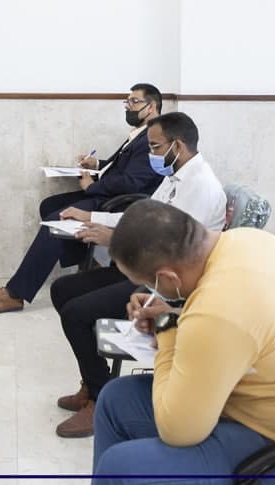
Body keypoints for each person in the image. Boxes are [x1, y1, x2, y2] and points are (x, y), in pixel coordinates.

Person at [92, 201, 275, 484]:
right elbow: (239, 320)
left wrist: (166, 330)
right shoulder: (248, 241)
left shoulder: (218, 307)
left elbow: (177, 431)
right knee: (116, 400)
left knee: (120, 466)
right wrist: (176, 316)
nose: (151, 291)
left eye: (149, 284)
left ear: (168, 277)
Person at [51, 111, 227, 438]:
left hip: (171, 282)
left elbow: (175, 247)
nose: (151, 155)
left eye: (155, 147)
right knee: (62, 289)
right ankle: (93, 382)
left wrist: (113, 239)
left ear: (178, 145)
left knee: (76, 313)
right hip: (151, 269)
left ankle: (100, 398)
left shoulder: (201, 186)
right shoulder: (176, 177)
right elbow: (141, 217)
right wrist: (93, 219)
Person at [0, 84, 165, 313]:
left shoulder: (151, 137)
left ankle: (15, 294)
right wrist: (97, 164)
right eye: (127, 101)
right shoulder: (140, 133)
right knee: (49, 205)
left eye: (134, 101)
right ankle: (88, 266)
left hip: (119, 201)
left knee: (57, 220)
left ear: (151, 106)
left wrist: (92, 186)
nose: (128, 106)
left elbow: (133, 182)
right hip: (109, 193)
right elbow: (123, 167)